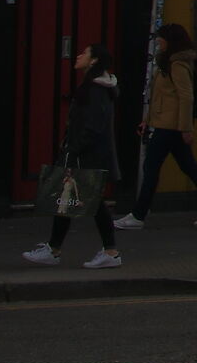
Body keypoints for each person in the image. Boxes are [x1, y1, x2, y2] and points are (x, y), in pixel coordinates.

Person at [23, 44, 126, 268]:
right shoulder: (94, 86)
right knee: (67, 199)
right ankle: (55, 249)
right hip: (86, 152)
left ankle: (109, 252)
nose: (79, 56)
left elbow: (93, 125)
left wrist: (75, 148)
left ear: (94, 61)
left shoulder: (95, 90)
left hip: (86, 154)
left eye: (84, 53)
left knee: (88, 201)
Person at [118, 23, 197, 229]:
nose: (158, 42)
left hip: (170, 126)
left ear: (170, 40)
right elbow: (159, 96)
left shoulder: (177, 64)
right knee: (188, 166)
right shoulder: (168, 62)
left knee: (152, 167)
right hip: (167, 123)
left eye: (161, 38)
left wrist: (186, 128)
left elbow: (185, 96)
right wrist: (148, 120)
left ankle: (138, 215)